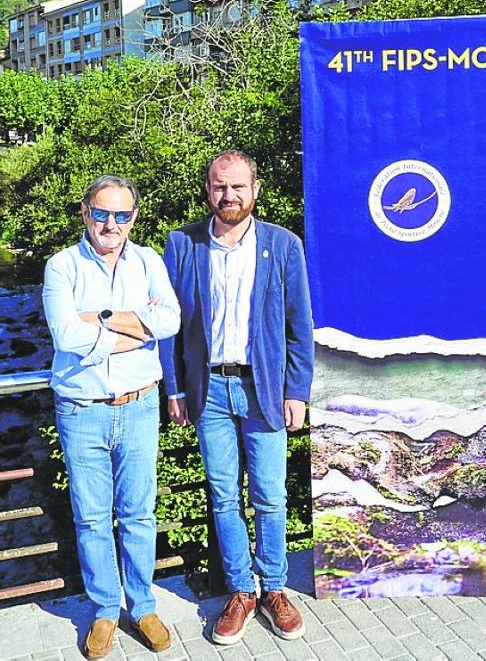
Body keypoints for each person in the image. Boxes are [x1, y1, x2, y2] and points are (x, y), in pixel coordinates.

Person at [161, 150, 314, 645]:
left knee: (270, 495)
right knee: (224, 496)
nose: (229, 195)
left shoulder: (283, 245)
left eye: (238, 187)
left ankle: (274, 587)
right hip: (208, 389)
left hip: (263, 387)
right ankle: (241, 590)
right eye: (219, 186)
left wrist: (297, 389)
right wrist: (175, 387)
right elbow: (169, 329)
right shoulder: (182, 244)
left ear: (255, 190)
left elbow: (299, 327)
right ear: (207, 189)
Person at [43, 175, 180, 657]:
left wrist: (98, 317)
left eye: (122, 215)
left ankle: (142, 605)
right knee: (93, 517)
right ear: (85, 213)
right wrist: (133, 327)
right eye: (101, 213)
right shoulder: (61, 266)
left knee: (140, 514)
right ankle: (104, 609)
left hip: (141, 404)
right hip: (82, 409)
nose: (111, 224)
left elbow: (171, 321)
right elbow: (65, 335)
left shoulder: (149, 261)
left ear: (134, 218)